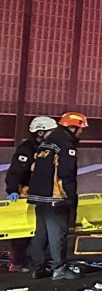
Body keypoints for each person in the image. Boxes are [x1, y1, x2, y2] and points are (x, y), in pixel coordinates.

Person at [27, 112, 88, 280]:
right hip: (55, 196)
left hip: (39, 196)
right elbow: (66, 173)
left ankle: (38, 267)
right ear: (72, 128)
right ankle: (59, 268)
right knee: (58, 234)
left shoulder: (46, 143)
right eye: (80, 129)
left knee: (41, 233)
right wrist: (70, 197)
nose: (81, 133)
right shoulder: (66, 145)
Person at [3, 116, 58, 272]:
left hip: (43, 193)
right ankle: (18, 262)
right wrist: (12, 190)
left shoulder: (50, 148)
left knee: (40, 229)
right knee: (22, 230)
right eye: (51, 131)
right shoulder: (27, 149)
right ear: (40, 132)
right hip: (26, 193)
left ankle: (35, 260)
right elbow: (15, 172)